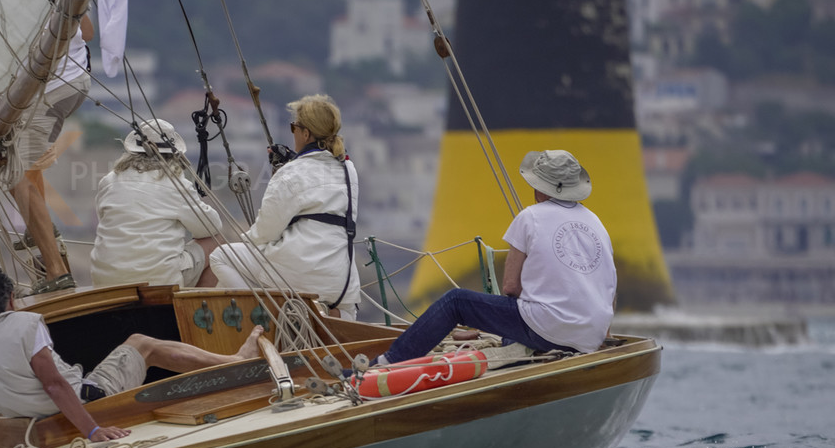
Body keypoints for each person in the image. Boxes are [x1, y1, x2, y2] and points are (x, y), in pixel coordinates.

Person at [0, 266, 261, 448]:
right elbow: (54, 385)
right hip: (87, 400)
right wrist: (92, 430)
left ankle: (231, 361)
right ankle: (234, 362)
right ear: (11, 298)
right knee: (143, 343)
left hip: (29, 426)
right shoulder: (25, 325)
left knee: (133, 347)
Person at [378, 149, 616, 365]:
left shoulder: (530, 216)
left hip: (549, 330)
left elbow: (510, 287)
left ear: (540, 187)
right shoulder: (596, 222)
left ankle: (388, 362)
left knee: (455, 301)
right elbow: (609, 291)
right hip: (592, 336)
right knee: (517, 324)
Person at [209, 94, 360, 316]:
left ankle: (269, 316)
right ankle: (327, 316)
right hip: (341, 282)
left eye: (293, 127)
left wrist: (245, 242)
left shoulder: (291, 173)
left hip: (299, 274)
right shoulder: (348, 170)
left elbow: (265, 232)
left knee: (222, 256)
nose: (293, 132)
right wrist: (294, 161)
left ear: (305, 133)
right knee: (347, 309)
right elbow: (319, 182)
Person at [11, 9, 93, 294]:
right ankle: (38, 229)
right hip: (76, 81)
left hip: (52, 88)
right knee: (27, 164)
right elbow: (88, 33)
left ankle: (56, 271)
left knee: (15, 173)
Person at [90, 118, 223, 288]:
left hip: (104, 280)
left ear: (132, 150)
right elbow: (212, 227)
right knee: (216, 242)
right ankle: (195, 304)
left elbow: (103, 218)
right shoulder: (177, 184)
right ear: (173, 154)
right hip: (159, 280)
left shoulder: (108, 181)